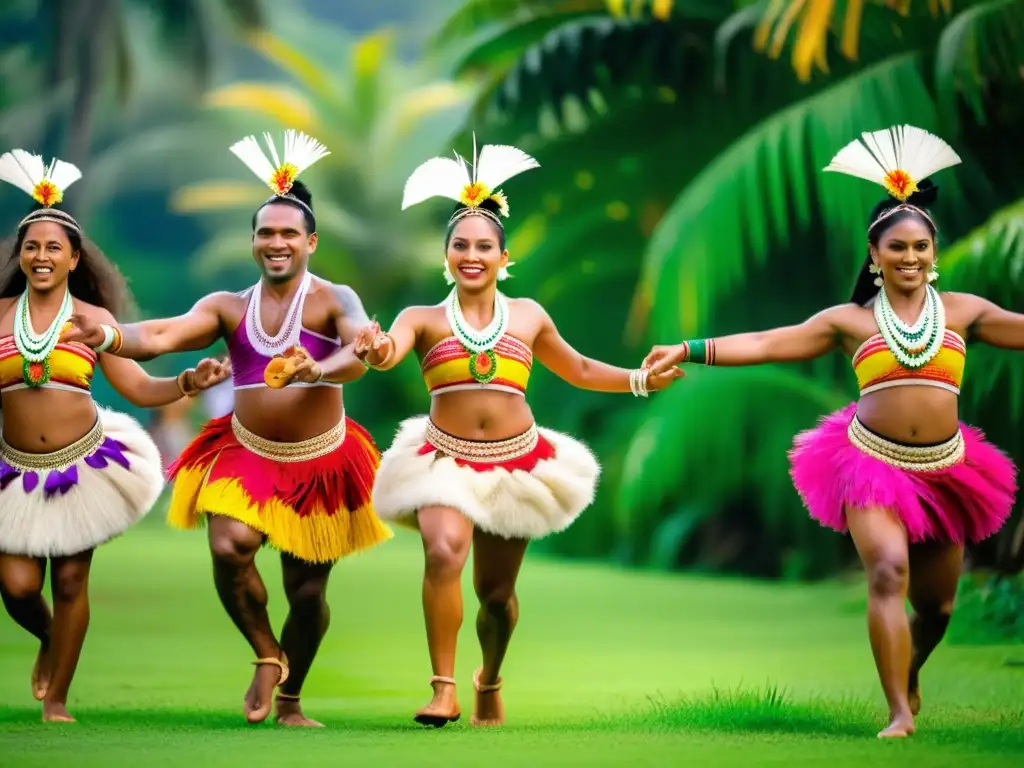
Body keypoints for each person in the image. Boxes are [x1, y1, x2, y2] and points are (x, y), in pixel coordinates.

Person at [642, 125, 1019, 739]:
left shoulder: (967, 313)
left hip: (949, 469)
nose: (910, 258)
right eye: (896, 248)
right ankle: (898, 711)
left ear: (934, 250)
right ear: (874, 256)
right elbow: (766, 342)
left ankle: (912, 668)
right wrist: (688, 348)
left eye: (921, 246)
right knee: (887, 570)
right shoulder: (849, 320)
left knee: (938, 607)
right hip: (871, 463)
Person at [63, 130, 393, 728]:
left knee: (308, 592)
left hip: (321, 458)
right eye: (265, 232)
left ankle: (291, 700)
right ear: (252, 241)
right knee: (228, 546)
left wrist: (324, 365)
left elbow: (358, 347)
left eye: (289, 233)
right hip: (244, 451)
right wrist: (109, 335)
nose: (276, 242)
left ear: (310, 241)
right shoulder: (227, 306)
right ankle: (267, 652)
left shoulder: (334, 299)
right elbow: (159, 335)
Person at [356, 138, 683, 728]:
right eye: (461, 245)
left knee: (497, 597)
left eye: (484, 246)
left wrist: (638, 381)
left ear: (504, 257)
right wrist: (377, 348)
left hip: (515, 462)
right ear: (446, 256)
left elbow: (579, 369)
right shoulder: (420, 319)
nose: (472, 254)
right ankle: (443, 688)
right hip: (441, 459)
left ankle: (489, 678)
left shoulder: (529, 315)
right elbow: (387, 352)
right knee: (443, 550)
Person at [0, 149, 229, 723]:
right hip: (13, 468)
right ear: (20, 256)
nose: (42, 256)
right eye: (32, 246)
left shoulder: (93, 320)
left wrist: (185, 381)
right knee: (18, 585)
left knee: (73, 576)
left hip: (82, 466)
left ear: (74, 257)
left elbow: (137, 386)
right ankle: (50, 637)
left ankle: (57, 701)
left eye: (54, 247)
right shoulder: (0, 313)